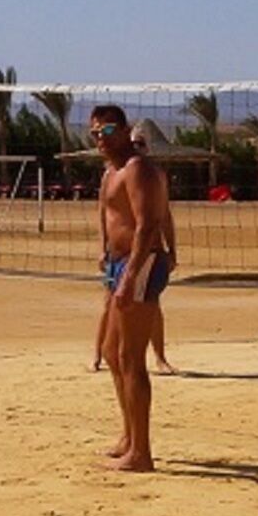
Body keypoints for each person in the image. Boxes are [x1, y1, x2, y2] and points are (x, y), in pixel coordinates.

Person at [90, 105, 175, 471]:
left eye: (107, 131)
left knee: (131, 358)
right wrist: (104, 255)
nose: (100, 139)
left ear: (125, 131)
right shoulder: (110, 171)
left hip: (140, 263)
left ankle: (142, 453)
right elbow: (106, 217)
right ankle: (129, 436)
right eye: (94, 133)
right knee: (111, 352)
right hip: (118, 263)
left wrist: (129, 277)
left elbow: (148, 225)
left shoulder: (138, 168)